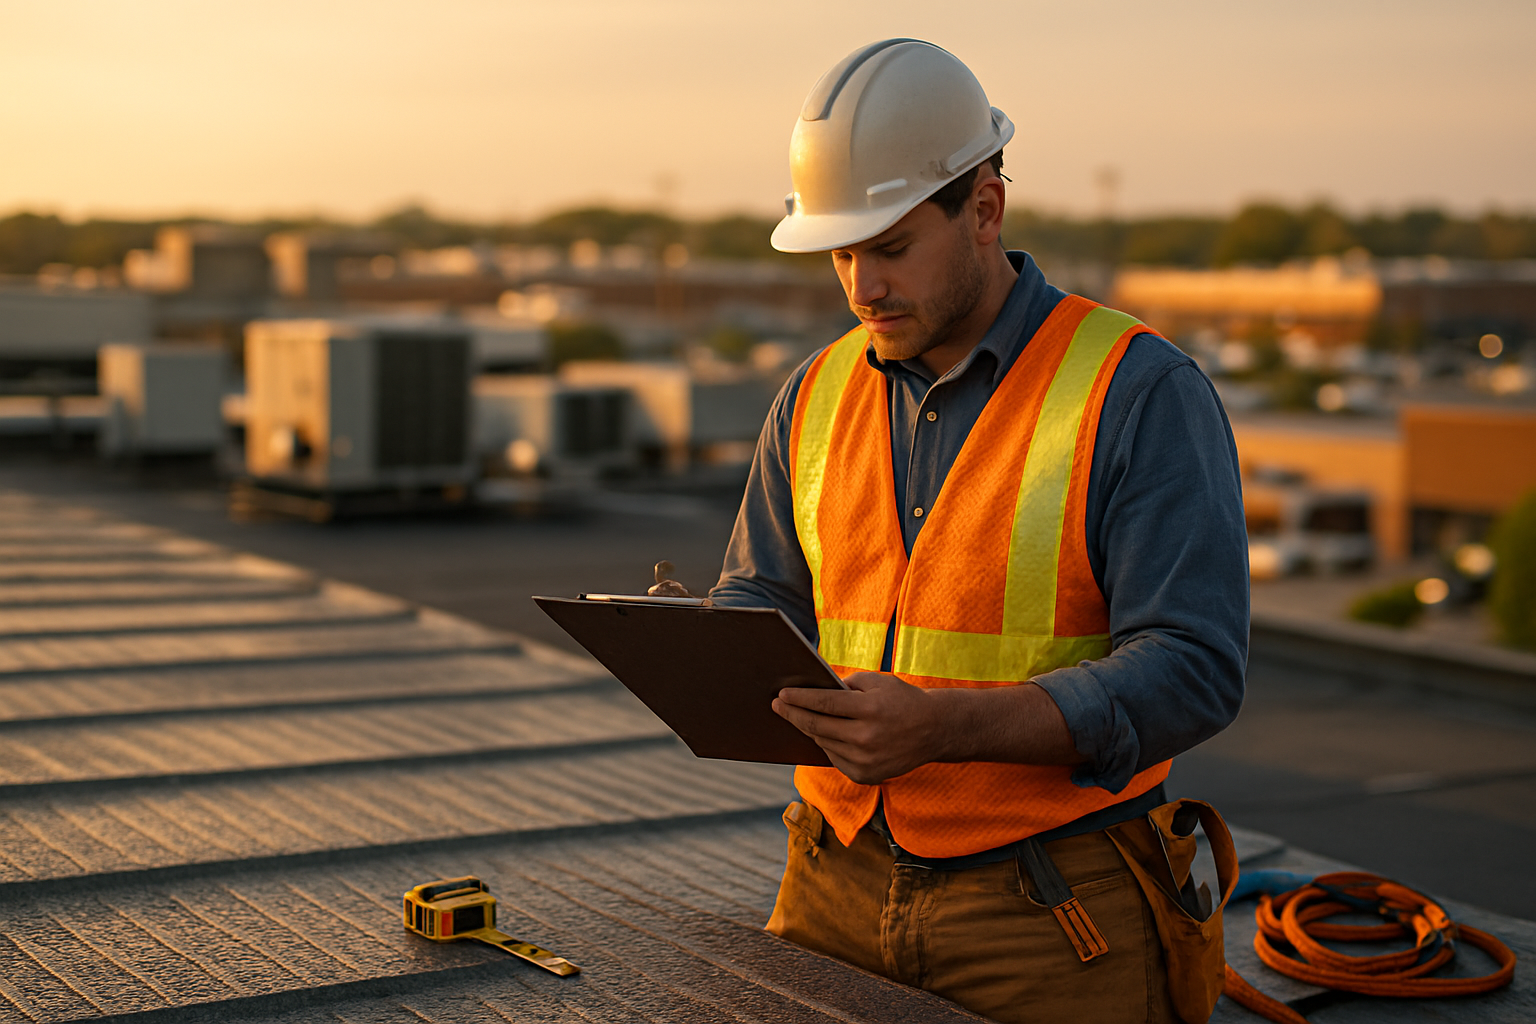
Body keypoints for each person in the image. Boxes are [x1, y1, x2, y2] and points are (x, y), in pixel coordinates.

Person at [656, 38, 1248, 1024]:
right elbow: (762, 595)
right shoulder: (814, 392)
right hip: (829, 875)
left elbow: (1194, 669)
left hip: (1050, 911)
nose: (861, 287)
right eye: (840, 253)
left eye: (889, 248)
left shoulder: (1137, 393)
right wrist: (708, 647)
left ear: (984, 209)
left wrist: (945, 727)